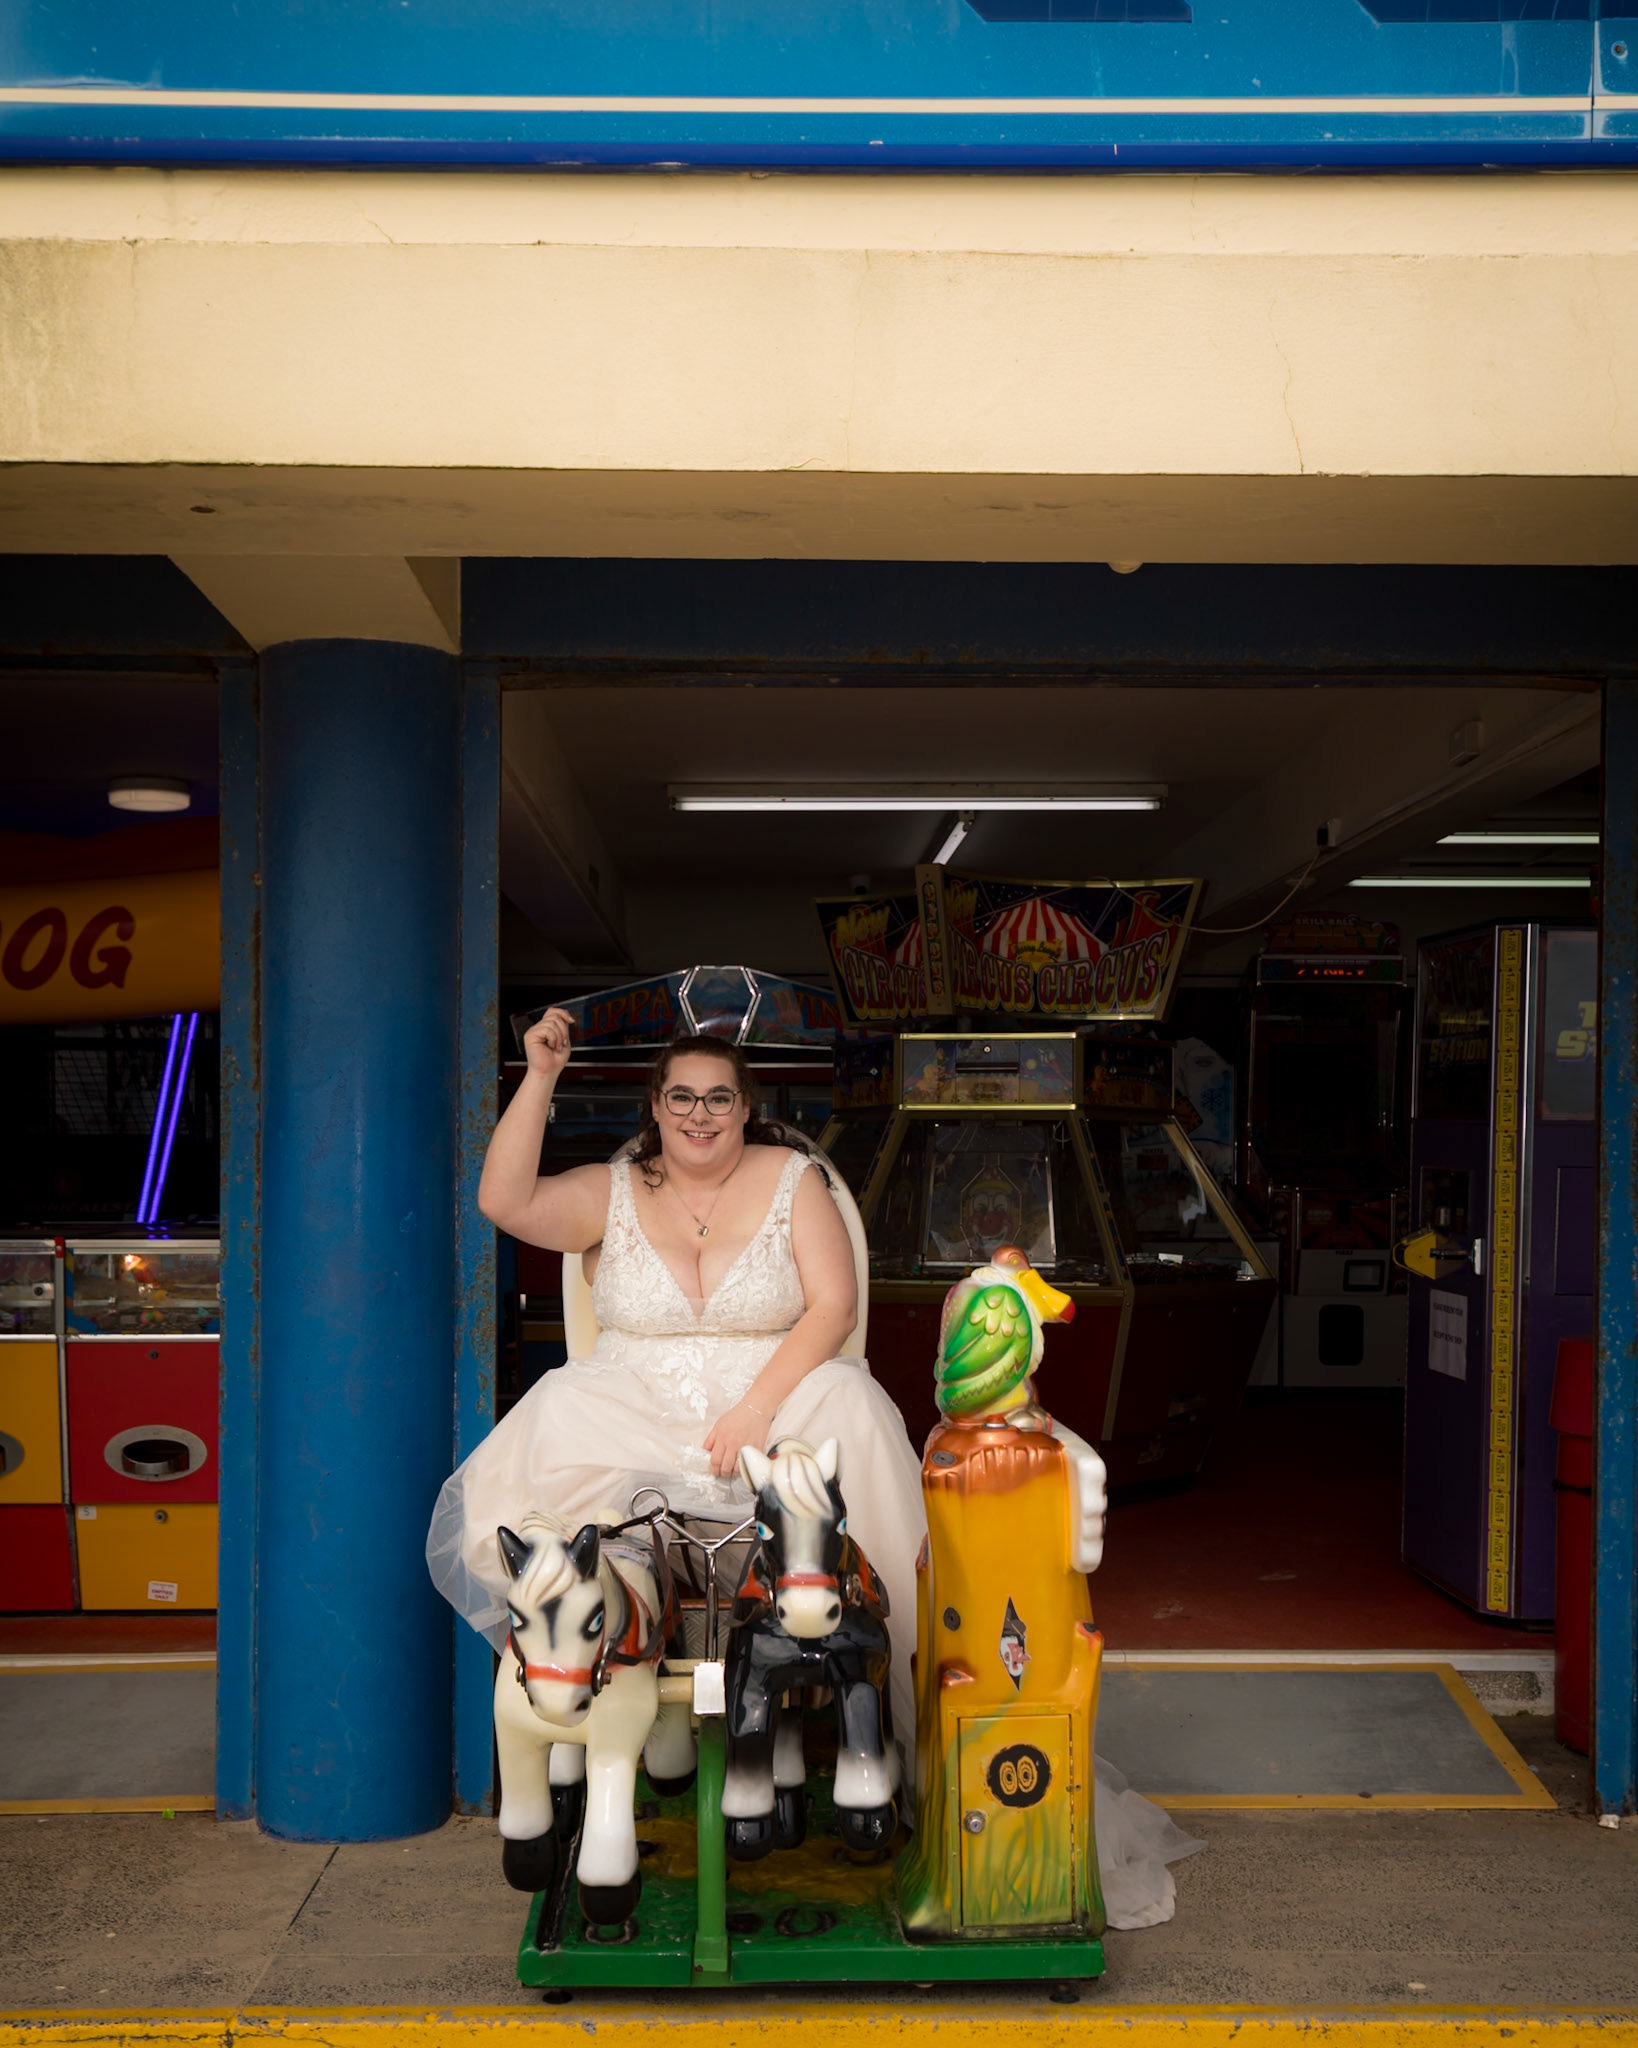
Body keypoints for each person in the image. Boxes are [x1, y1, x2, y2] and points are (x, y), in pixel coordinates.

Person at [426, 1009, 1199, 1928]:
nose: (701, 1115)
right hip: (628, 1409)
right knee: (547, 1436)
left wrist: (753, 1411)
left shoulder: (797, 1182)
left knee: (850, 1415)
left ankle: (914, 1742)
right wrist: (542, 1076)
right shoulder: (613, 1188)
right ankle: (574, 1727)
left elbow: (831, 1308)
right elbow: (504, 1204)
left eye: (720, 1098)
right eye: (683, 1098)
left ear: (747, 1108)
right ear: (657, 1107)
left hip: (779, 1393)